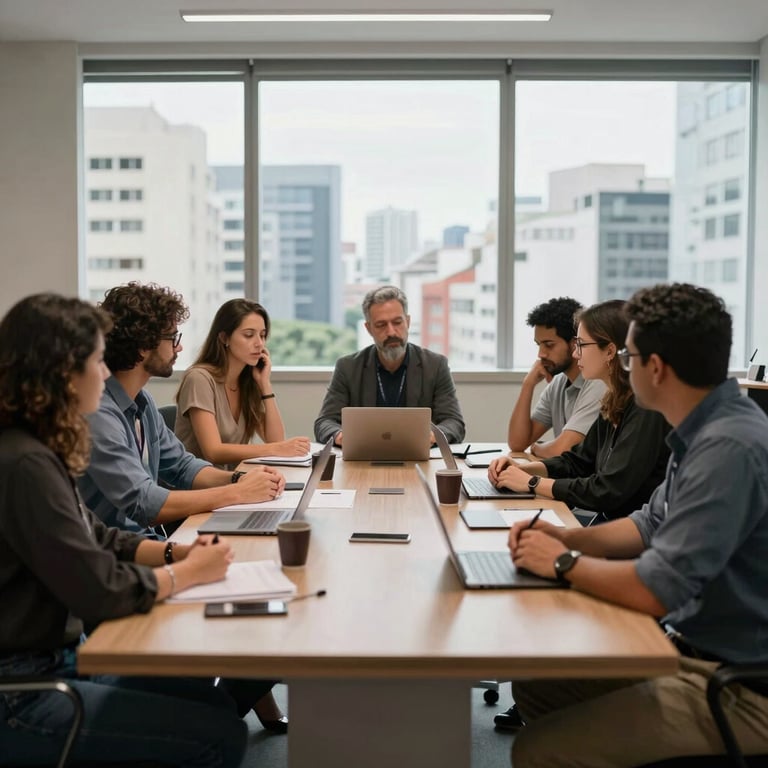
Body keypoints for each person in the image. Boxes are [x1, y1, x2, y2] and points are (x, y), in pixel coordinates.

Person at [0, 293, 280, 767]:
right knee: (219, 735)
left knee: (212, 704)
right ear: (61, 372)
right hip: (23, 690)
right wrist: (186, 575)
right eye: (94, 361)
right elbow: (98, 589)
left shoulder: (36, 449)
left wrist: (178, 557)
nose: (104, 371)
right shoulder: (25, 463)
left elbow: (102, 536)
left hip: (56, 663)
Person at [506, 283, 768, 767]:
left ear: (656, 368)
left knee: (538, 750)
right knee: (538, 685)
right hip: (697, 653)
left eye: (627, 356)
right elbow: (646, 526)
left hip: (742, 688)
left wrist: (562, 562)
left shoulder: (728, 447)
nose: (621, 368)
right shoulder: (703, 427)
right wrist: (565, 536)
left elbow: (657, 589)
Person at [78, 283, 286, 536]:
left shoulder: (143, 403)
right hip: (120, 556)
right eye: (172, 338)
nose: (179, 347)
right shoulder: (99, 413)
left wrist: (239, 479)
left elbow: (182, 466)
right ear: (144, 344)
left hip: (149, 542)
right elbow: (144, 502)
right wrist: (238, 492)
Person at [489, 299, 670, 524]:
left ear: (610, 351)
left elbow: (608, 491)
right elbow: (578, 462)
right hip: (612, 523)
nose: (576, 355)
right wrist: (525, 469)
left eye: (582, 345)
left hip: (633, 535)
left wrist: (532, 483)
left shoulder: (646, 408)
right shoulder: (615, 399)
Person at [314, 285, 465, 445]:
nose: (391, 332)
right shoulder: (348, 367)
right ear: (369, 328)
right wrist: (341, 436)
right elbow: (324, 422)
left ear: (408, 322)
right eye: (381, 325)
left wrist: (432, 437)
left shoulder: (435, 365)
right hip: (363, 458)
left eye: (397, 322)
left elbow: (454, 423)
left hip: (419, 460)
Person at [175, 298, 310, 470]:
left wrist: (264, 384)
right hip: (198, 488)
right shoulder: (199, 379)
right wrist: (275, 448)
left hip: (234, 482)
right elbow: (213, 452)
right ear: (225, 338)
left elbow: (275, 440)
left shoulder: (247, 382)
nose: (259, 343)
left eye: (262, 335)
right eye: (248, 335)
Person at [508, 296, 605, 458]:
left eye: (549, 345)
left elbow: (564, 449)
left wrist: (537, 448)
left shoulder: (598, 382)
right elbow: (517, 443)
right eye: (538, 345)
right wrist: (528, 384)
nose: (541, 354)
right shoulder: (559, 382)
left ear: (575, 343)